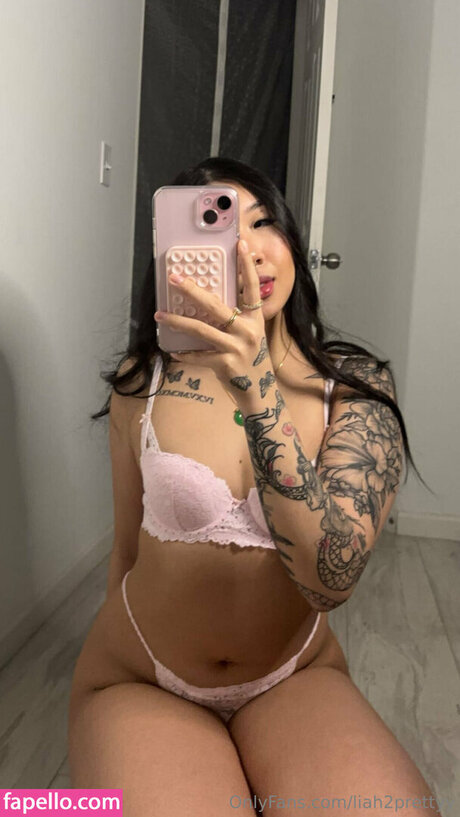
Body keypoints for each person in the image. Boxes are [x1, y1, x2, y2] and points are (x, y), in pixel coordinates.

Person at [68, 157, 439, 815]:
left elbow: (331, 579)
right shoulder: (143, 380)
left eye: (265, 222)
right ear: (180, 254)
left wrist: (257, 384)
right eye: (219, 230)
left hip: (290, 675)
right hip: (141, 674)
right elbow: (125, 552)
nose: (250, 251)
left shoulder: (353, 387)